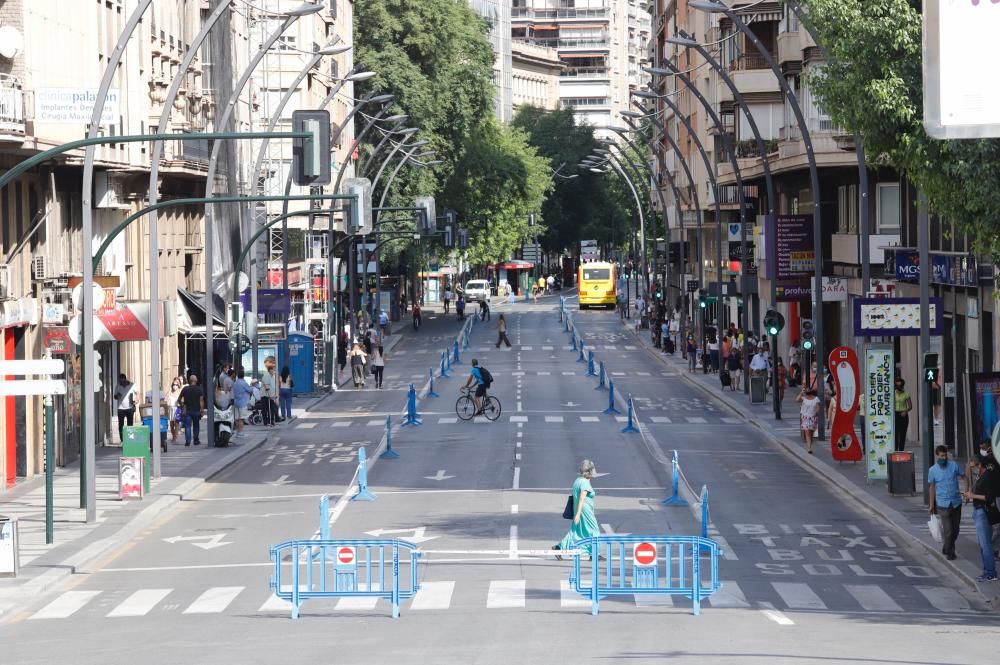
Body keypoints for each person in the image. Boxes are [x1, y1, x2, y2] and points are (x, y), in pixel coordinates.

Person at [963, 442, 1000, 581]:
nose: (971, 470)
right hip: (978, 510)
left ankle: (990, 572)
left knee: (985, 544)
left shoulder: (987, 476)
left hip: (983, 512)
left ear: (979, 465)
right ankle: (987, 571)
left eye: (972, 467)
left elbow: (988, 497)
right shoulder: (981, 476)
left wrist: (972, 496)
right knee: (983, 544)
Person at [553, 459, 601, 561]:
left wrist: (577, 513)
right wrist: (579, 513)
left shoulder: (578, 481)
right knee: (594, 530)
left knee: (575, 531)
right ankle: (594, 553)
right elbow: (582, 498)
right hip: (584, 511)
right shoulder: (584, 483)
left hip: (579, 510)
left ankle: (559, 548)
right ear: (589, 471)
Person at [928, 444, 964, 561]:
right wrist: (931, 504)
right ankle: (950, 552)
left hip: (956, 502)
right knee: (948, 530)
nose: (944, 458)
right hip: (942, 504)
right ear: (937, 456)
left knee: (956, 530)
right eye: (942, 456)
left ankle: (946, 546)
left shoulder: (954, 466)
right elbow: (932, 487)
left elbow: (964, 477)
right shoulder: (932, 470)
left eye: (945, 455)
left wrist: (967, 490)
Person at [179, 374, 205, 446]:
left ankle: (188, 441)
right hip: (196, 410)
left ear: (189, 381)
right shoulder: (199, 389)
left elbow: (179, 398)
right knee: (196, 425)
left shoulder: (185, 389)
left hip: (187, 410)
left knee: (187, 426)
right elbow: (201, 400)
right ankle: (196, 440)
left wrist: (182, 405)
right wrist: (202, 410)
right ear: (196, 381)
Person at [113, 373, 137, 443]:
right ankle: (122, 439)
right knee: (121, 425)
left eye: (123, 381)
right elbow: (115, 397)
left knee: (130, 424)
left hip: (130, 408)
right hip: (120, 408)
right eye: (120, 381)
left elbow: (137, 393)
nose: (122, 383)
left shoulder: (132, 385)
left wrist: (136, 400)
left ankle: (130, 439)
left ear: (125, 379)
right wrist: (117, 396)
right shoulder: (118, 386)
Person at [796, 388, 820, 454]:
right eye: (807, 392)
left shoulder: (816, 399)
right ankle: (809, 448)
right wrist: (801, 392)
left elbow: (818, 407)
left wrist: (816, 413)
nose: (808, 394)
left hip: (813, 417)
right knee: (807, 432)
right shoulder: (804, 398)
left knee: (811, 432)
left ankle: (810, 443)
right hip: (805, 417)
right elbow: (797, 399)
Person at [232, 369, 252, 439]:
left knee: (237, 419)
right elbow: (250, 390)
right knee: (241, 419)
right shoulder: (244, 383)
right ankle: (240, 433)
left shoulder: (235, 383)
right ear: (243, 376)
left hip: (236, 402)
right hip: (243, 403)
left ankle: (237, 432)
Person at [894, 377, 912, 452]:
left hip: (903, 415)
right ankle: (895, 449)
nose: (898, 388)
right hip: (895, 414)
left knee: (902, 433)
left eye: (900, 386)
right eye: (897, 386)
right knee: (895, 433)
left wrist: (905, 411)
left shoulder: (906, 394)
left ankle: (901, 450)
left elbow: (910, 406)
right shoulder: (892, 394)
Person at [262, 358, 280, 425]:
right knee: (268, 410)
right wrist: (271, 396)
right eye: (273, 370)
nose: (274, 371)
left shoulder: (271, 376)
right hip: (266, 396)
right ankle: (268, 422)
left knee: (272, 409)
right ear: (270, 370)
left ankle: (271, 421)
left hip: (271, 396)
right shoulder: (267, 376)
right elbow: (267, 387)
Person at [166, 376, 184, 442]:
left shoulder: (180, 391)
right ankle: (173, 435)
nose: (175, 386)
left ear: (179, 384)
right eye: (174, 384)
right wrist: (169, 391)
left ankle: (175, 438)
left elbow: (182, 400)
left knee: (176, 423)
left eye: (176, 384)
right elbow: (166, 399)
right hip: (170, 408)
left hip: (177, 408)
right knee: (171, 424)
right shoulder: (170, 391)